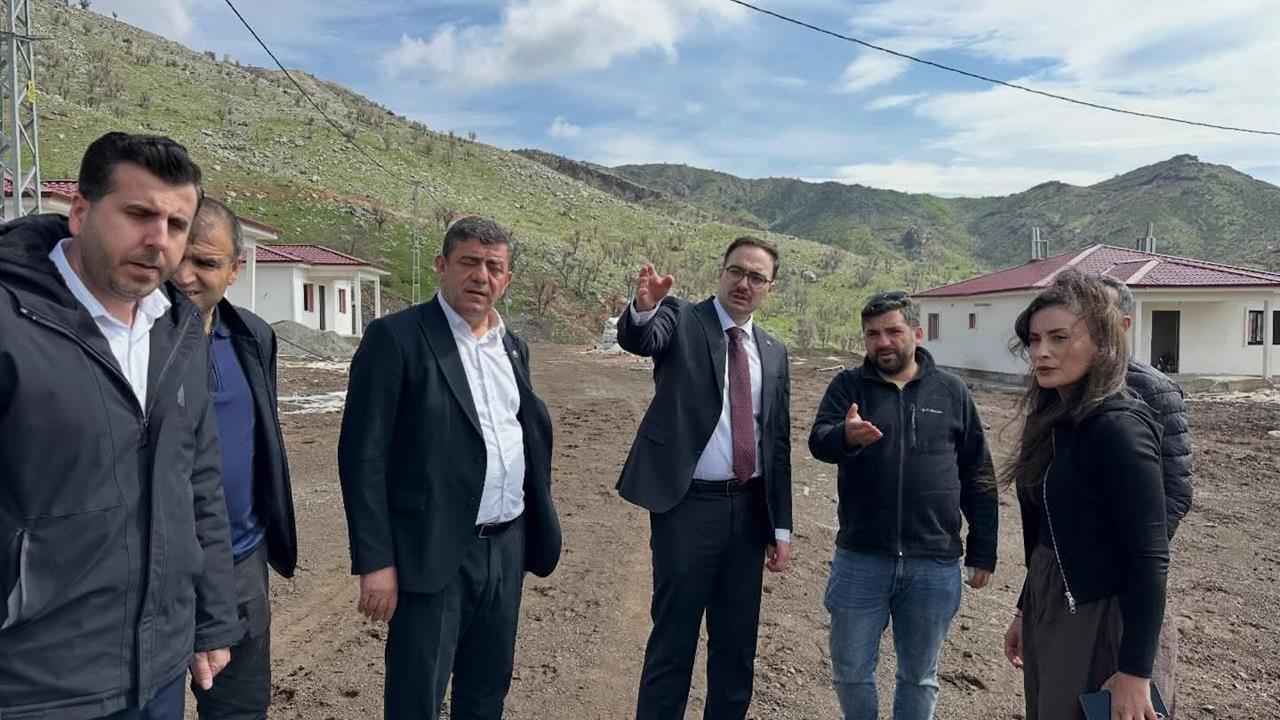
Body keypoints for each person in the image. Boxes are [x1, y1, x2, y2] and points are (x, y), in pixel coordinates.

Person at [0, 132, 241, 719]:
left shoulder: (177, 329)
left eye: (176, 224)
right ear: (81, 212)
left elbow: (199, 483)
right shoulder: (12, 320)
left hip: (157, 672)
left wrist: (211, 620)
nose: (159, 240)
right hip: (35, 683)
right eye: (138, 214)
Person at [338, 215, 562, 720]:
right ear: (442, 266)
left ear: (507, 279)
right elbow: (362, 456)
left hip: (505, 548)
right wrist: (376, 561)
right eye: (469, 262)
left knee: (486, 693)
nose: (481, 276)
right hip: (431, 551)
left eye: (494, 267)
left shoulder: (512, 346)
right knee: (417, 698)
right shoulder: (396, 338)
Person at [617, 236, 793, 720]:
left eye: (756, 277)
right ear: (721, 272)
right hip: (688, 508)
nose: (744, 283)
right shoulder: (681, 319)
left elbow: (777, 442)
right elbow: (642, 339)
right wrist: (644, 309)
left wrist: (780, 526)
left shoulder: (773, 351)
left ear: (770, 288)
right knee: (673, 641)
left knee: (736, 646)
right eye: (736, 271)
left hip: (749, 511)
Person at [808, 290, 998, 720]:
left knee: (919, 675)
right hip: (861, 556)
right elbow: (819, 441)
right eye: (872, 334)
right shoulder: (848, 387)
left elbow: (978, 473)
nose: (883, 342)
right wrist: (844, 436)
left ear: (916, 331)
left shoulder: (951, 391)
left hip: (933, 561)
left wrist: (983, 548)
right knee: (850, 670)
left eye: (893, 331)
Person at [1001, 269, 1168, 720]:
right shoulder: (1054, 420)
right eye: (1035, 340)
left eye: (1059, 338)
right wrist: (1025, 608)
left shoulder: (1119, 428)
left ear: (1102, 344)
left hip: (1099, 613)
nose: (1042, 352)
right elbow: (1050, 531)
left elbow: (1150, 555)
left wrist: (1135, 672)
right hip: (1050, 599)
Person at [174, 198, 299, 719]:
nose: (185, 275)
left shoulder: (253, 335)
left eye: (204, 262)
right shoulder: (128, 337)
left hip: (240, 559)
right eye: (178, 256)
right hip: (155, 570)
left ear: (234, 270)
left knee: (240, 709)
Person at [1100, 274, 1191, 718]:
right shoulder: (1058, 391)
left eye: (1097, 316)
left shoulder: (1154, 390)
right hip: (1072, 585)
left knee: (1137, 698)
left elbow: (1176, 490)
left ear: (1124, 323)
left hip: (1130, 579)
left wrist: (1133, 555)